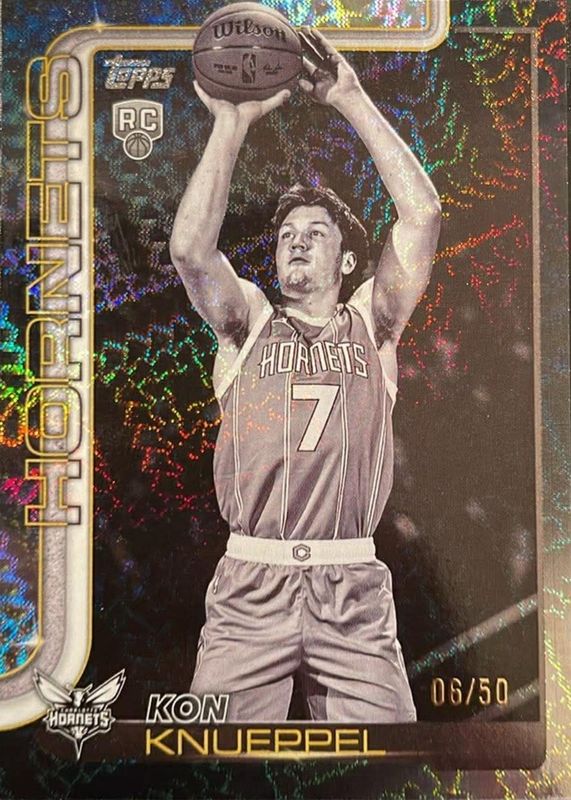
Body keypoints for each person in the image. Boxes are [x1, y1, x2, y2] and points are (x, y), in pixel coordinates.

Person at [170, 28, 441, 722]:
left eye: (315, 233)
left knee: (390, 765)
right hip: (250, 585)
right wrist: (230, 123)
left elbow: (423, 214)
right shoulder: (247, 323)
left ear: (347, 260)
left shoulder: (374, 324)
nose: (295, 240)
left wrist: (349, 98)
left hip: (350, 586)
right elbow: (191, 251)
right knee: (213, 765)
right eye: (287, 235)